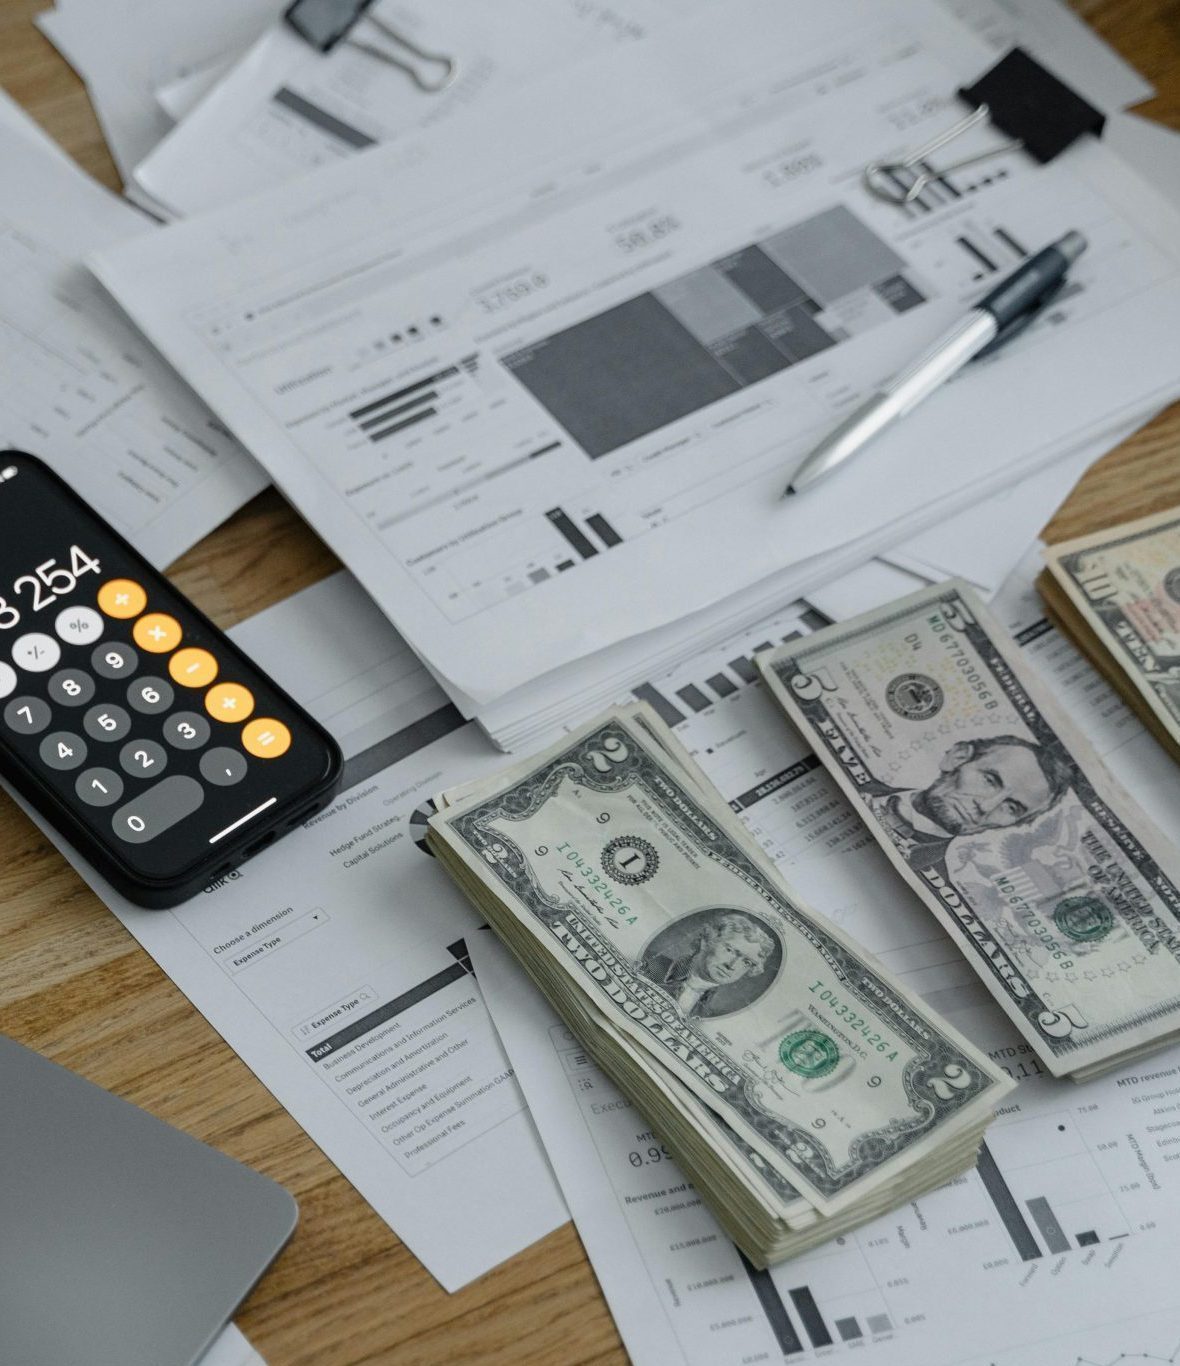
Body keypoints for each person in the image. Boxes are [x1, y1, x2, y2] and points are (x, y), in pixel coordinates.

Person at [867, 734, 1073, 870]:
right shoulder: (862, 785)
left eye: (1012, 808)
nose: (985, 806)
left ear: (1016, 824)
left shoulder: (928, 880)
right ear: (957, 758)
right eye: (990, 781)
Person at [640, 910, 776, 1019]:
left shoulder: (712, 1014)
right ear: (707, 941)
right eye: (729, 950)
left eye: (746, 962)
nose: (732, 965)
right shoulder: (648, 964)